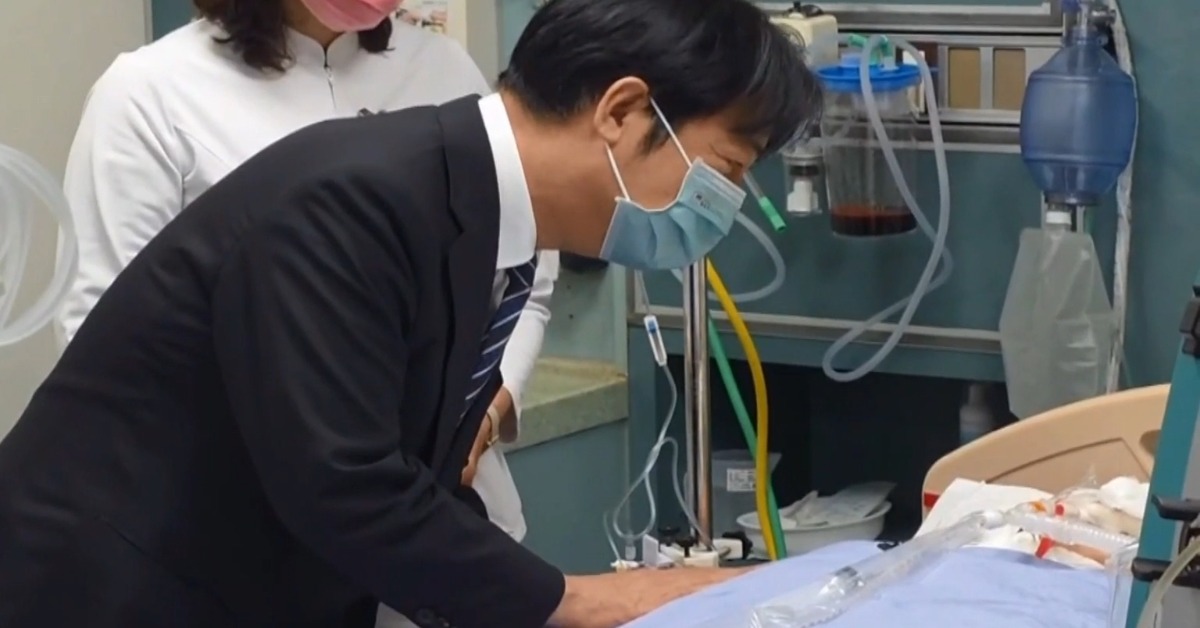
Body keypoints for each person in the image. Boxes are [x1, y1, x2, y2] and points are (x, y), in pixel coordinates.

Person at [0, 0, 821, 626]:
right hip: (116, 583)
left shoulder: (468, 206)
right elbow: (346, 482)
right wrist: (581, 600)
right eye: (726, 168)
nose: (726, 203)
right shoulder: (354, 202)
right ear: (621, 111)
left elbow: (406, 462)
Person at [54, 4, 553, 625]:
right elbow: (109, 341)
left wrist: (487, 407)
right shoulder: (150, 93)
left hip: (451, 534)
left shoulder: (445, 70)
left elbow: (524, 277)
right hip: (249, 545)